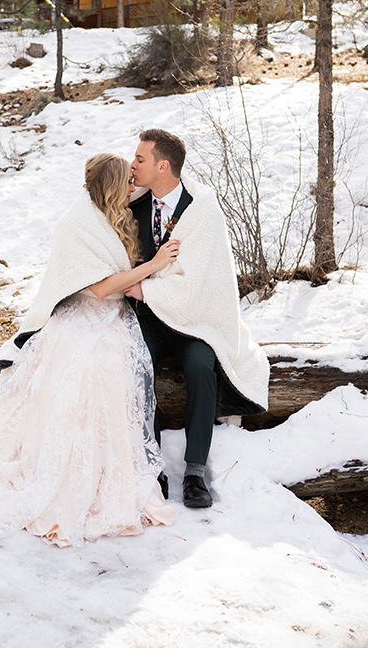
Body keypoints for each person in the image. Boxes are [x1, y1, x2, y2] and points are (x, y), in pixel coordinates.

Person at [0, 153, 179, 547]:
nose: (132, 188)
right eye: (126, 182)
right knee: (80, 361)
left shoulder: (113, 210)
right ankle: (61, 471)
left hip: (114, 315)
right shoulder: (76, 223)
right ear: (109, 187)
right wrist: (152, 265)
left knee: (109, 362)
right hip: (85, 309)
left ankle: (106, 467)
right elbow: (99, 288)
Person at [126, 129, 270, 509]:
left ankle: (194, 471)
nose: (132, 165)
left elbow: (206, 279)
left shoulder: (202, 209)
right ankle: (151, 464)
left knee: (202, 366)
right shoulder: (134, 205)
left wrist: (148, 288)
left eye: (140, 159)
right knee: (135, 362)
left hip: (195, 320)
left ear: (163, 165)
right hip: (150, 318)